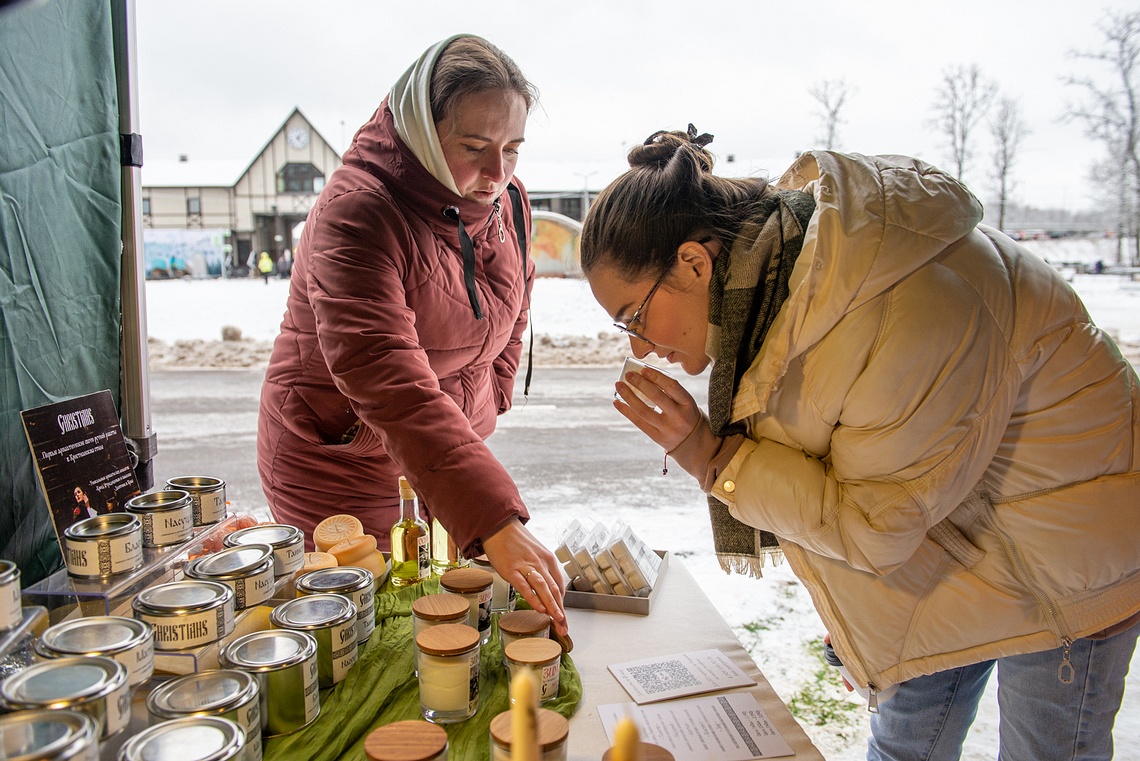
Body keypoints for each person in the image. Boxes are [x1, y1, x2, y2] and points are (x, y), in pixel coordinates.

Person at [580, 126, 1140, 760]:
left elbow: (874, 525)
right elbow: (863, 482)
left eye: (633, 316)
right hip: (947, 539)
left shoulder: (898, 304)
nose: (636, 345)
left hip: (1067, 558)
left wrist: (715, 460)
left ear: (694, 262)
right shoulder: (777, 296)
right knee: (906, 744)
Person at [257, 35, 565, 631]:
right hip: (341, 461)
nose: (497, 173)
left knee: (441, 620)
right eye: (474, 147)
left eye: (513, 150)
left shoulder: (509, 202)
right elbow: (387, 377)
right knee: (365, 630)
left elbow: (516, 302)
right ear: (423, 129)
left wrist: (490, 396)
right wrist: (495, 519)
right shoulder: (360, 212)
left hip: (443, 455)